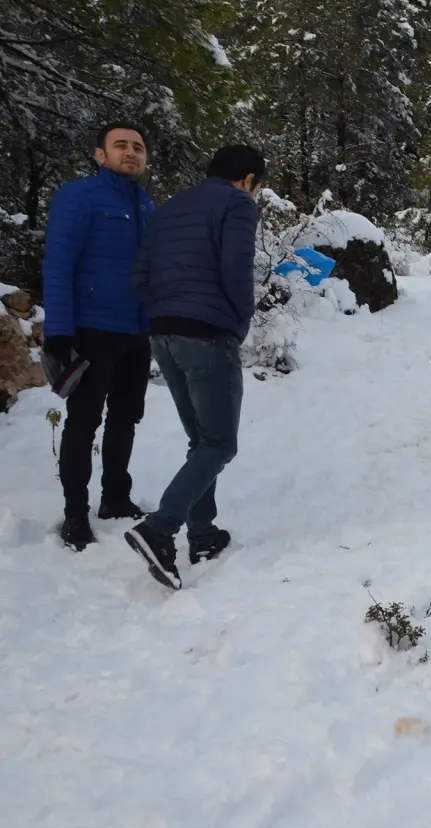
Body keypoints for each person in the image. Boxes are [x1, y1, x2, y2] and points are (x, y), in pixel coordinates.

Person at [125, 145, 265, 590]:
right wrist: (240, 319)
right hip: (208, 334)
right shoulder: (237, 204)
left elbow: (139, 280)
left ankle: (203, 535)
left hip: (163, 334)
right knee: (220, 443)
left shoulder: (168, 210)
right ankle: (158, 529)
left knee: (201, 440)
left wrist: (170, 308)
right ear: (247, 179)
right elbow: (236, 269)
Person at [40, 122, 156, 551]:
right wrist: (58, 332)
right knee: (83, 422)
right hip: (91, 329)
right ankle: (75, 514)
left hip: (135, 330)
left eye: (138, 147)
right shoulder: (80, 196)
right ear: (100, 155)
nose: (131, 153)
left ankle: (116, 498)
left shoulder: (145, 203)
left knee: (126, 418)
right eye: (121, 145)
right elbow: (58, 265)